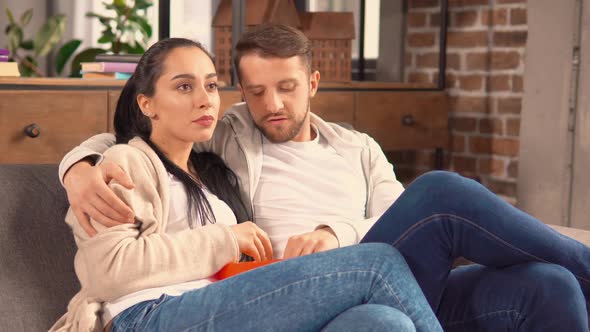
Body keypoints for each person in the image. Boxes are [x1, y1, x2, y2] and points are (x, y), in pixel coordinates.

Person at [60, 25, 590, 331]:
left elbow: (403, 221)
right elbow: (132, 142)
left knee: (548, 284)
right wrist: (75, 170)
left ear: (313, 83)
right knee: (397, 269)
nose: (271, 104)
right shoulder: (218, 139)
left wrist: (338, 235)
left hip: (356, 274)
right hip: (252, 300)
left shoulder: (355, 149)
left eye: (210, 86)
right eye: (253, 91)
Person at [50, 37, 442, 332]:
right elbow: (107, 271)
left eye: (211, 85)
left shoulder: (210, 174)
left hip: (213, 310)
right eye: (184, 87)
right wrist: (226, 240)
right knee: (377, 263)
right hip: (148, 316)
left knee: (380, 322)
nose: (205, 100)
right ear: (147, 103)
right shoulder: (125, 163)